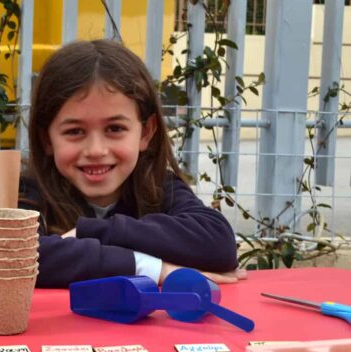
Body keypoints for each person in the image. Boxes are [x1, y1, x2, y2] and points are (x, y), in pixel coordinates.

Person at [19, 39, 245, 288]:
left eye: (115, 128)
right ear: (46, 139)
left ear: (146, 132)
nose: (96, 150)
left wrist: (94, 232)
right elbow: (17, 256)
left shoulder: (159, 186)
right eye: (74, 131)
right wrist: (153, 268)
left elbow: (218, 244)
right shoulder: (27, 194)